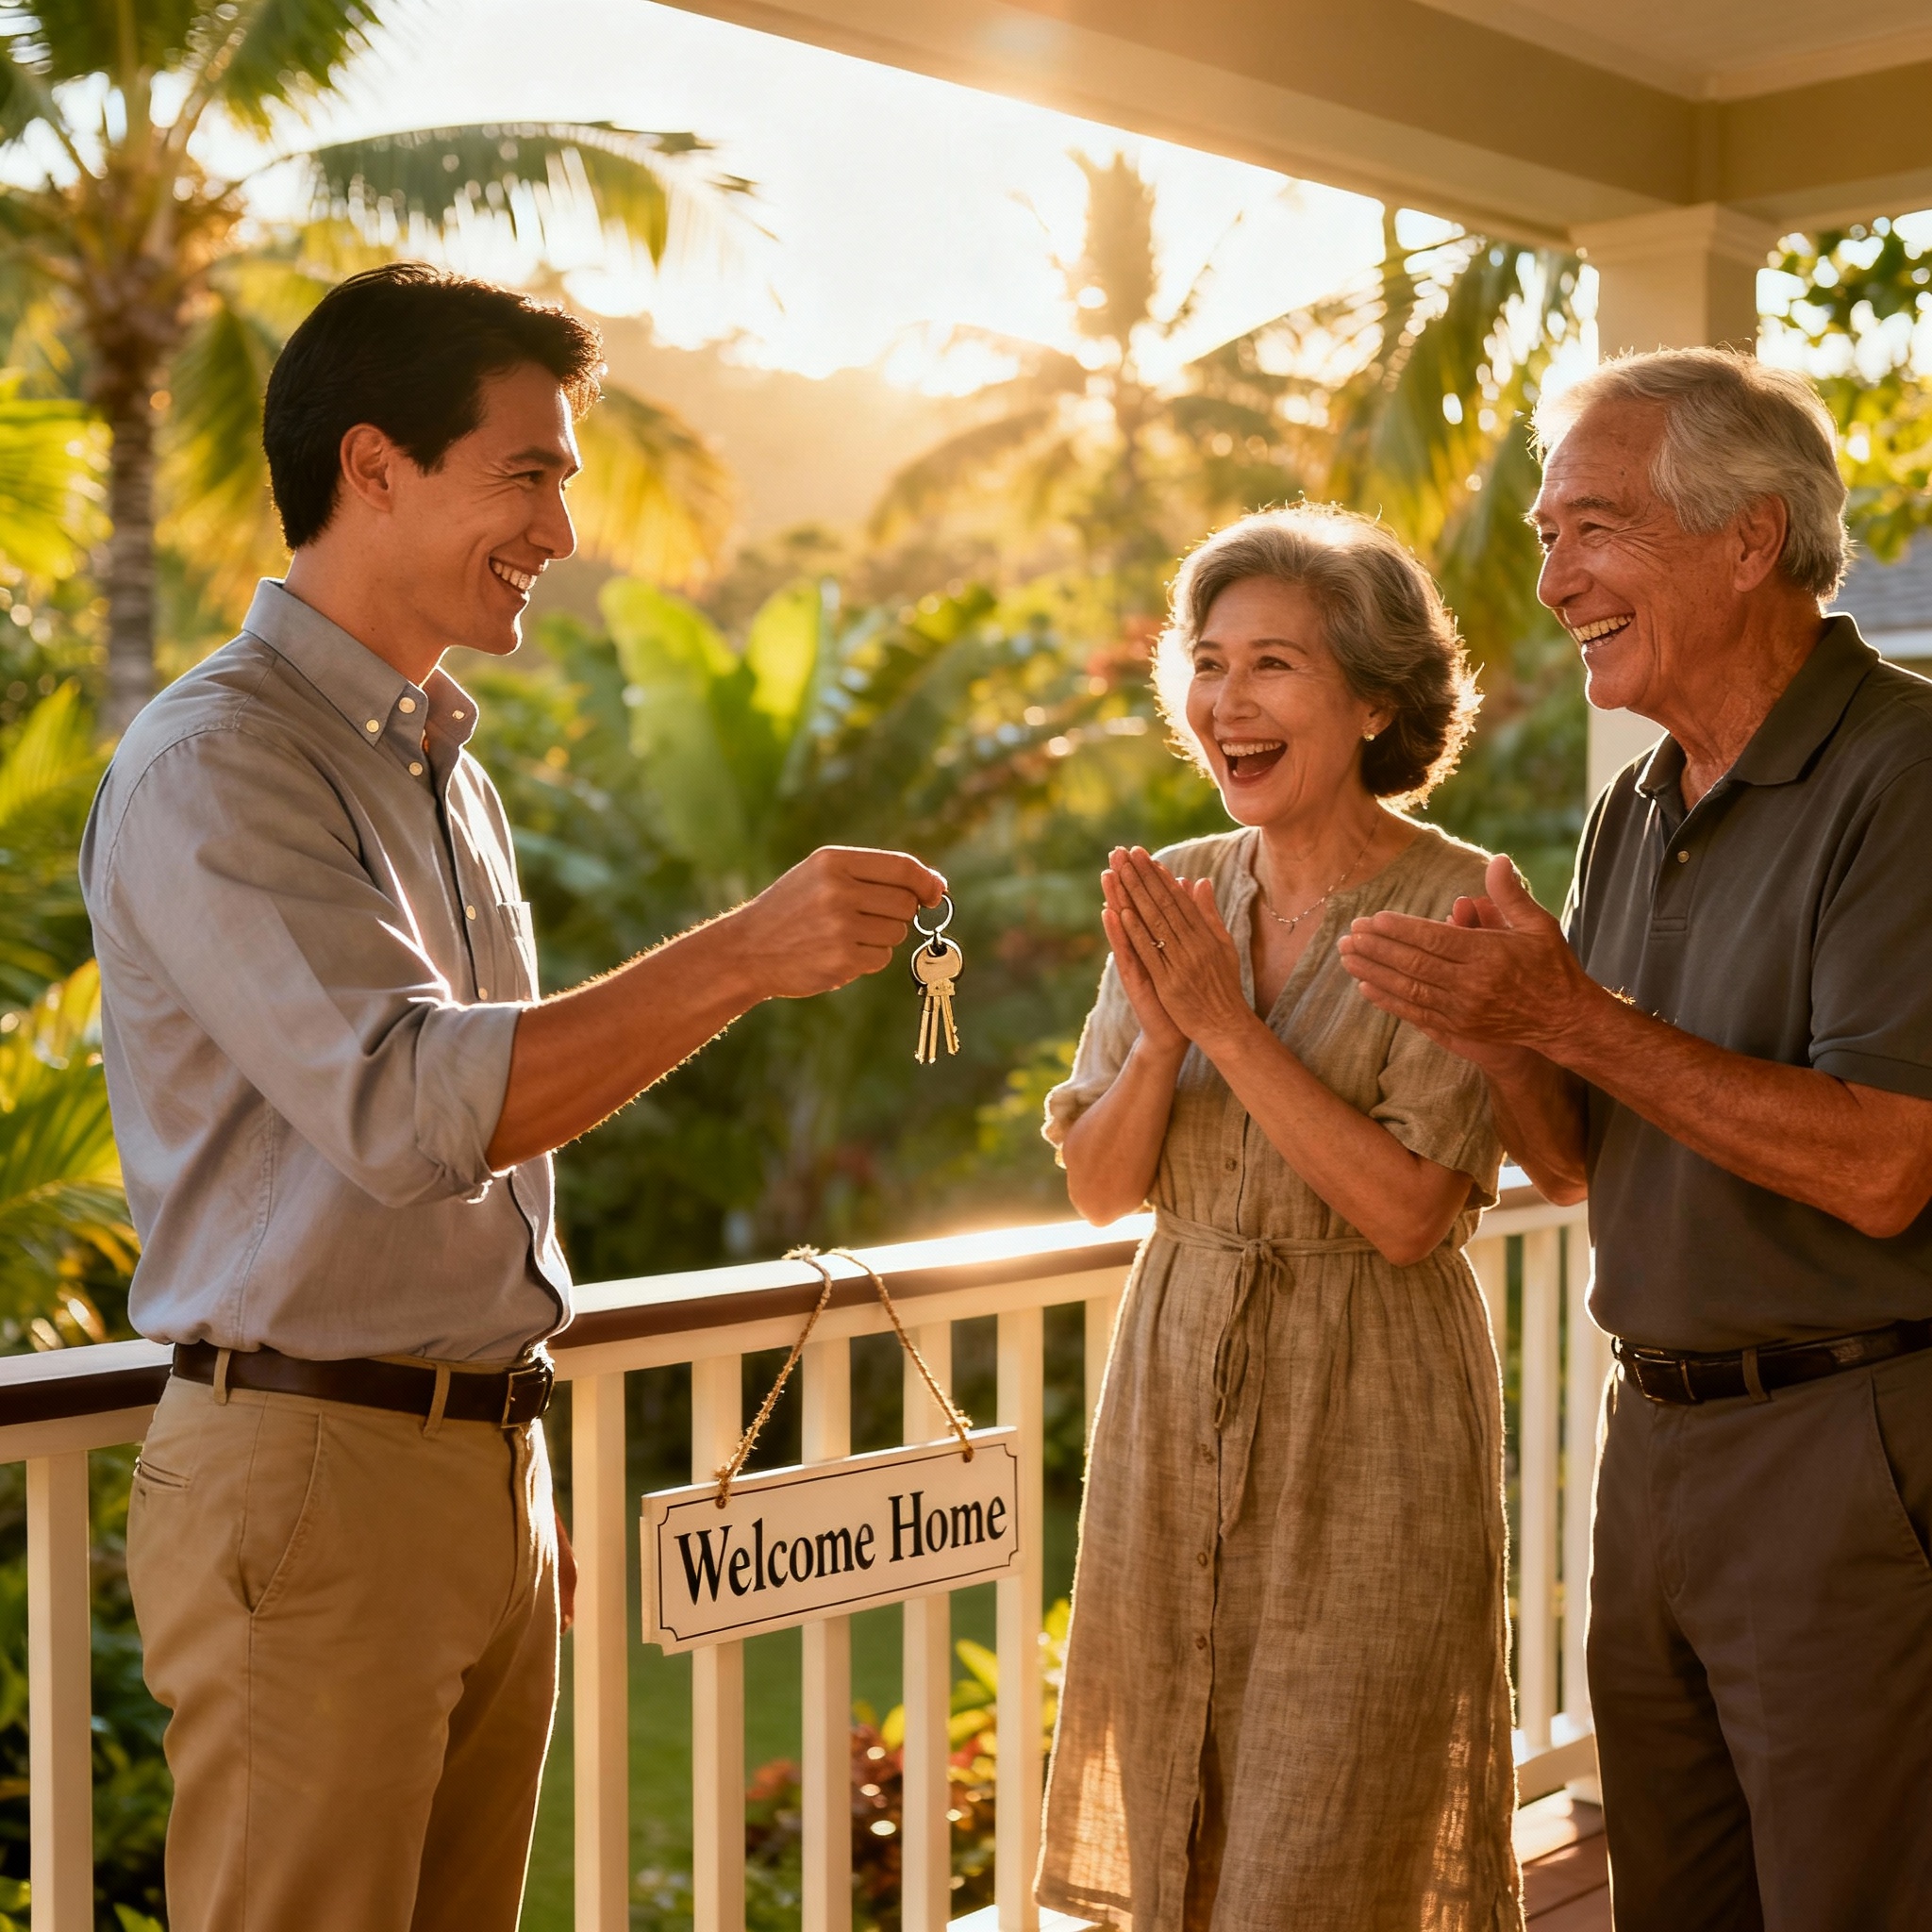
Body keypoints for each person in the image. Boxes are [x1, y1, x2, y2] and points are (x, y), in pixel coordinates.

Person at [79, 264, 944, 1932]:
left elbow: (494, 1105)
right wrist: (748, 954)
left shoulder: (439, 763)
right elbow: (411, 1107)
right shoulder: (221, 763)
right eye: (528, 473)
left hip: (481, 1468)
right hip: (313, 1473)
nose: (562, 525)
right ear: (374, 466)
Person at [1340, 347, 1932, 1932]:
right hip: (1653, 1447)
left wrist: (1574, 1016)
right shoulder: (1636, 801)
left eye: (1591, 529)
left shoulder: (1908, 772)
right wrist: (1506, 1030)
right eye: (1545, 537)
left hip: (1847, 1446)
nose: (1549, 580)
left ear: (1749, 539)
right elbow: (1592, 1163)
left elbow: (1886, 1162)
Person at [1037, 505, 1522, 1932]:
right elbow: (1098, 1186)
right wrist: (1171, 1038)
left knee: (1337, 1815)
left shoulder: (1458, 910)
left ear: (1375, 700)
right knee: (1175, 1799)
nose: (1224, 704)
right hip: (1175, 1381)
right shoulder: (1175, 892)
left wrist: (1228, 1027)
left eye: (1273, 668)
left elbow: (1409, 1214)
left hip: (1368, 1407)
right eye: (1208, 662)